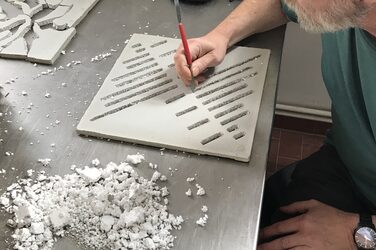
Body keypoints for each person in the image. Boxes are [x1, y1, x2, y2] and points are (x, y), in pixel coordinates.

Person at [174, 0, 376, 249]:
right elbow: (280, 3)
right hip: (345, 166)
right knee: (253, 217)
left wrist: (355, 230)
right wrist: (221, 36)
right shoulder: (345, 7)